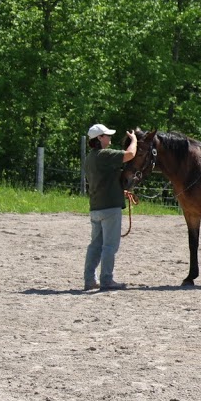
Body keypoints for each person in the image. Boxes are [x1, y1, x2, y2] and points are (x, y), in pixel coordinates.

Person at [84, 123, 137, 291]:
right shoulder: (104, 155)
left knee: (95, 245)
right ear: (99, 138)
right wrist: (134, 140)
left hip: (96, 207)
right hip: (110, 208)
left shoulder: (90, 158)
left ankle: (89, 279)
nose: (109, 138)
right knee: (110, 246)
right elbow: (130, 154)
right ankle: (107, 280)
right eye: (107, 135)